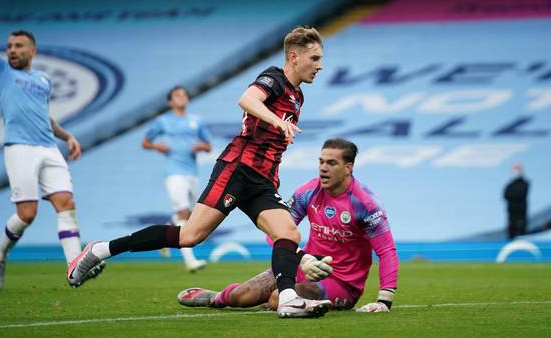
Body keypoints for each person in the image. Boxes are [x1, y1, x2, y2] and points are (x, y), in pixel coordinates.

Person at [68, 26, 331, 318]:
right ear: (294, 57)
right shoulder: (275, 78)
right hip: (238, 169)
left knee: (289, 233)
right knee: (190, 236)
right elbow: (246, 100)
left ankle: (288, 299)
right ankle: (100, 250)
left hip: (263, 180)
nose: (320, 65)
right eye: (315, 58)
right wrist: (277, 121)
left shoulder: (298, 97)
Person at [0, 0, 104, 291]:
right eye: (10, 46)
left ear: (32, 50)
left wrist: (67, 135)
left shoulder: (42, 80)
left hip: (47, 147)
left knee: (66, 204)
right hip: (20, 149)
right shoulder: (0, 70)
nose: (11, 50)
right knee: (27, 213)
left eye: (18, 46)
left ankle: (75, 266)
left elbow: (44, 117)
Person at [177, 138, 399, 313]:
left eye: (332, 163)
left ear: (348, 167)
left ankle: (283, 302)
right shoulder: (308, 192)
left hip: (341, 284)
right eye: (321, 162)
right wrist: (301, 257)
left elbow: (387, 250)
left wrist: (384, 301)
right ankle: (216, 297)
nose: (323, 168)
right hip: (303, 267)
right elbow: (274, 230)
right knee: (241, 297)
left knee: (276, 299)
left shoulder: (365, 204)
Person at [142, 86, 212, 272]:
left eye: (184, 95)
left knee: (189, 216)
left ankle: (165, 233)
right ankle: (190, 261)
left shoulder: (196, 121)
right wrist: (158, 147)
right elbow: (146, 142)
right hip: (174, 173)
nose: (182, 98)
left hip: (193, 173)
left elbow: (208, 146)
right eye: (177, 96)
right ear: (170, 101)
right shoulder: (163, 121)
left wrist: (201, 146)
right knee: (182, 212)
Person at [504, 163, 529, 240]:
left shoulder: (525, 183)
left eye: (517, 169)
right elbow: (505, 195)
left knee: (522, 231)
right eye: (515, 169)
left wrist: (513, 194)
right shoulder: (510, 184)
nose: (516, 171)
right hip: (512, 212)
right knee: (511, 231)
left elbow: (520, 193)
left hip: (521, 212)